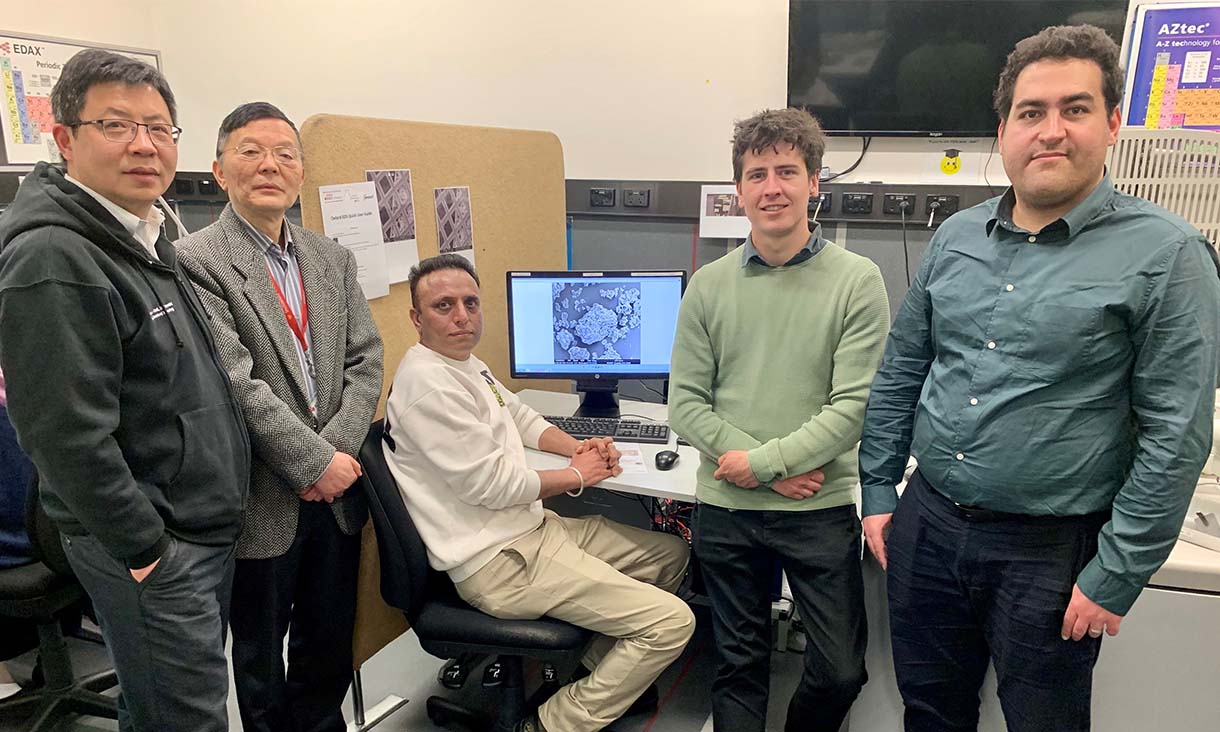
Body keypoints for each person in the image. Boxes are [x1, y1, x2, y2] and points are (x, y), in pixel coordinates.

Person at [858, 24, 1220, 732]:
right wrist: (877, 488)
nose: (1051, 131)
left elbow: (1176, 435)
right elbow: (903, 368)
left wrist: (1118, 571)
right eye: (1032, 112)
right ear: (1004, 131)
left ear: (1112, 123)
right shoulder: (955, 237)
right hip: (926, 522)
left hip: (1049, 550)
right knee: (929, 712)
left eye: (1075, 109)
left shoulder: (1168, 256)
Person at [0, 49, 249, 732]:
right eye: (115, 125)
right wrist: (146, 552)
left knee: (162, 707)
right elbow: (63, 434)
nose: (144, 145)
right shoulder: (55, 258)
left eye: (159, 128)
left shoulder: (146, 232)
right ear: (64, 139)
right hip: (155, 546)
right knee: (187, 718)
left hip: (193, 528)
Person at [382, 254, 694, 732]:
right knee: (673, 624)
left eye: (470, 302)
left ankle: (590, 674)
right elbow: (494, 486)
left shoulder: (462, 364)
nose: (462, 316)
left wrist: (578, 447)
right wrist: (580, 475)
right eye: (444, 305)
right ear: (416, 319)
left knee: (670, 554)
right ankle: (552, 723)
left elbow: (519, 415)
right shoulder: (429, 387)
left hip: (532, 531)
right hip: (499, 561)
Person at [668, 107, 891, 732]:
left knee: (841, 670)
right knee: (739, 665)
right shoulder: (708, 287)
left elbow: (853, 407)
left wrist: (764, 465)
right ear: (738, 190)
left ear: (815, 182)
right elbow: (684, 404)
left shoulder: (856, 282)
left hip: (816, 508)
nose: (773, 188)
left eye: (787, 171)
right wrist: (767, 474)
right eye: (757, 174)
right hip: (728, 510)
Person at [177, 102, 384, 732]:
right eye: (250, 151)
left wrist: (334, 462)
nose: (269, 164)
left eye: (285, 153)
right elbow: (236, 384)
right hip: (264, 496)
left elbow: (367, 362)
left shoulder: (331, 258)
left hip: (339, 492)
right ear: (218, 170)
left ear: (300, 171)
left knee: (326, 645)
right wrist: (312, 462)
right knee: (261, 657)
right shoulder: (197, 261)